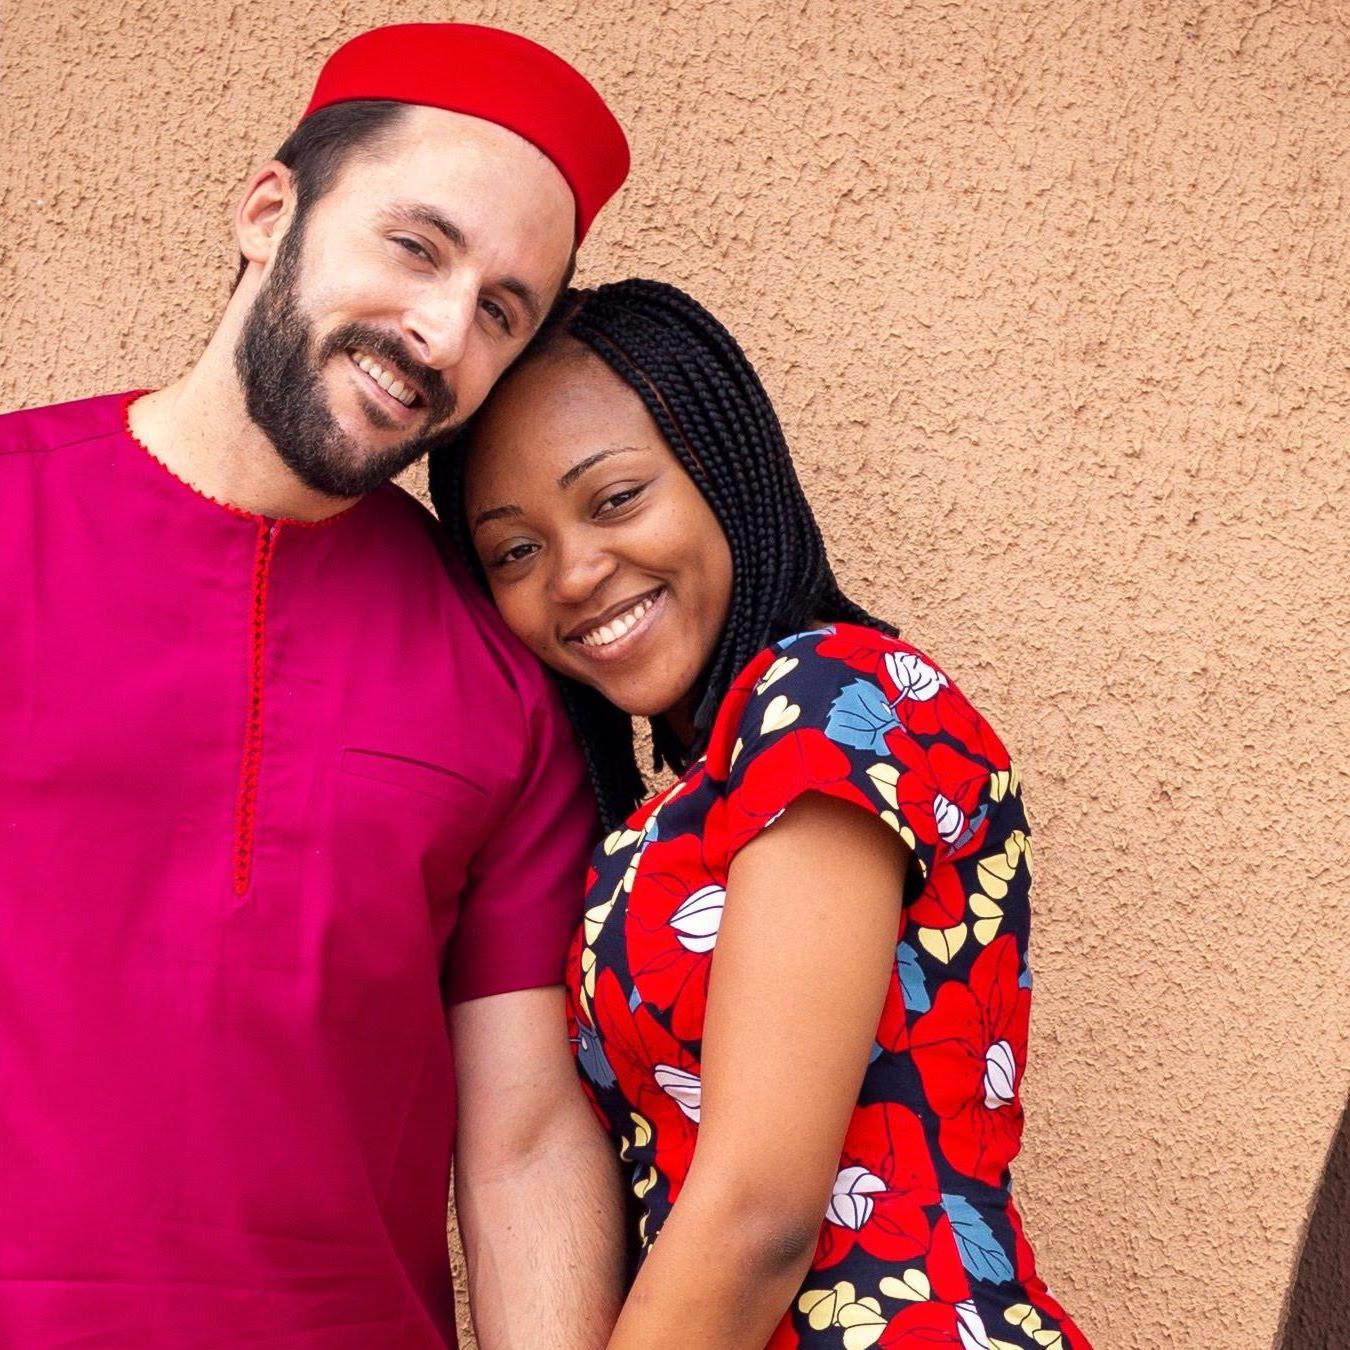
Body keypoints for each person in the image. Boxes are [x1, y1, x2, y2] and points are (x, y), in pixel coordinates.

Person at [0, 24, 630, 1350]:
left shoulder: (503, 666)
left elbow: (518, 1141)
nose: (442, 333)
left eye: (501, 310)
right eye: (419, 247)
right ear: (269, 209)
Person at [438, 278, 1095, 1350]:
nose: (575, 573)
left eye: (612, 499)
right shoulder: (681, 804)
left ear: (725, 472)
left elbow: (758, 1216)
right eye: (516, 549)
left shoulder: (833, 699)